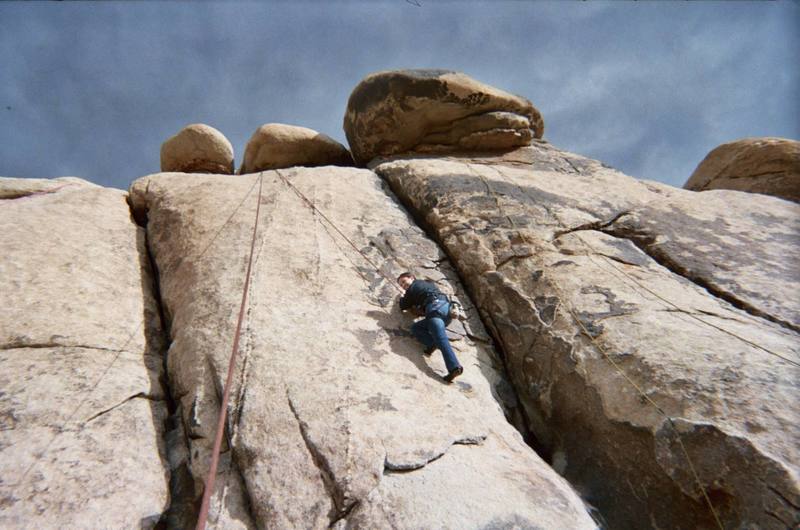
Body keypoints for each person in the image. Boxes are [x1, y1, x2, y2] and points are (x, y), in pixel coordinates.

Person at [397, 272, 464, 383]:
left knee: (441, 339)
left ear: (412, 277)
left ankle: (454, 367)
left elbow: (403, 305)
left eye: (404, 282)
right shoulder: (428, 283)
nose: (404, 285)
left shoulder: (413, 287)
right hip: (446, 311)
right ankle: (431, 344)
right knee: (416, 328)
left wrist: (402, 296)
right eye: (401, 285)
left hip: (435, 310)